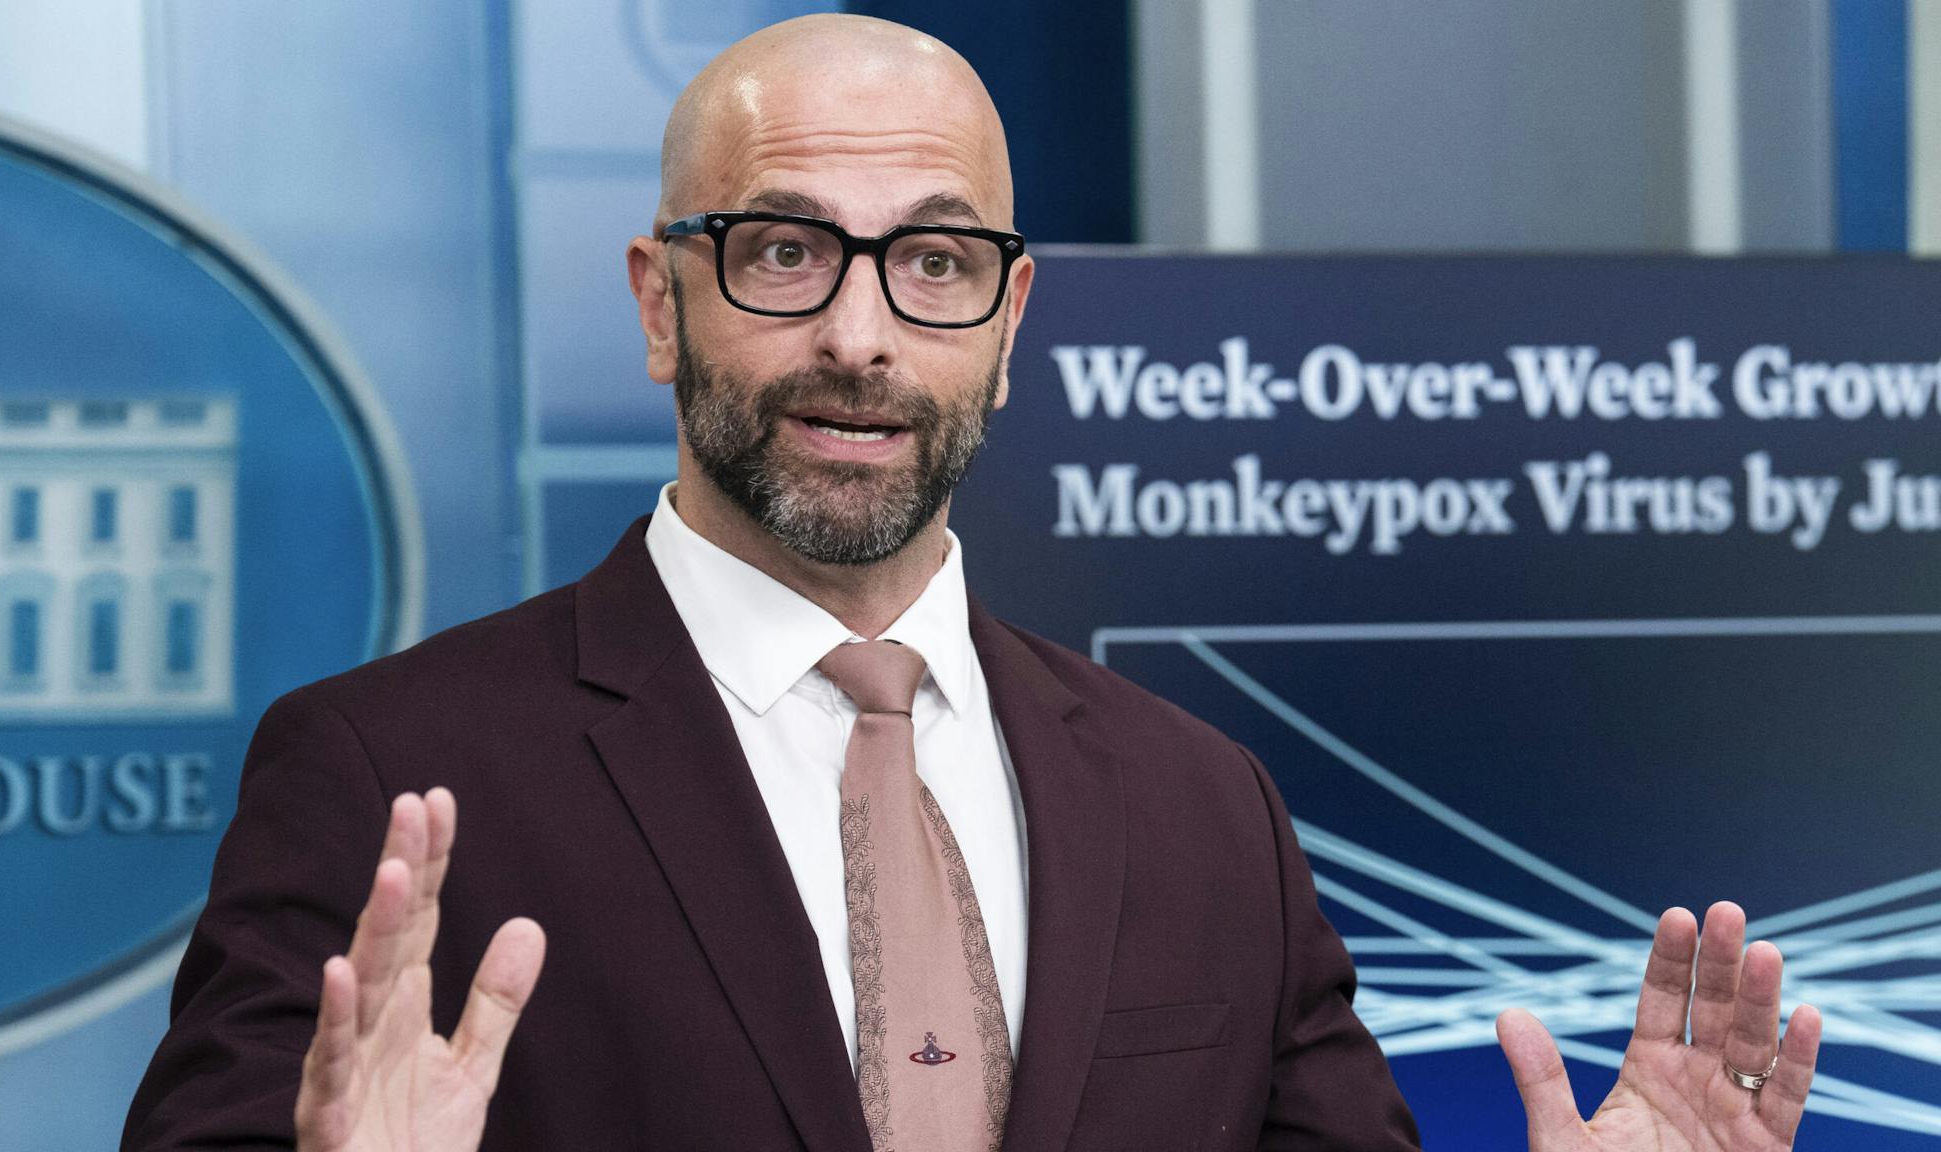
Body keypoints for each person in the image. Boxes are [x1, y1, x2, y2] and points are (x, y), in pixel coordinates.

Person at [121, 14, 1822, 1152]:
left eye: (935, 263)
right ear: (658, 303)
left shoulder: (1197, 800)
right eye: (786, 250)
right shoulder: (390, 775)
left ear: (1006, 332)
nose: (862, 336)